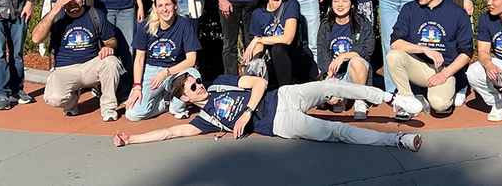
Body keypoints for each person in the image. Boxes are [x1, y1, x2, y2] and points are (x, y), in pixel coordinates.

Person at [111, 72, 425, 152]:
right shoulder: (205, 120)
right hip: (280, 122)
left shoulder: (220, 82)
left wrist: (246, 112)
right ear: (186, 99)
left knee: (333, 86)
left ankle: (392, 98)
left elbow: (260, 82)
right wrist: (131, 139)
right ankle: (397, 140)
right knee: (336, 131)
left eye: (196, 81)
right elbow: (169, 132)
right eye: (192, 88)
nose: (199, 87)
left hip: (282, 95)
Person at [386, 0, 474, 120]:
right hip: (419, 66)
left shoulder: (457, 13)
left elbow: (466, 53)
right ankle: (408, 101)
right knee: (393, 56)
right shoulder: (409, 9)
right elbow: (396, 43)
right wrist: (423, 49)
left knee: (440, 106)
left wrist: (444, 74)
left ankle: (452, 89)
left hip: (444, 69)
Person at [31, 0, 122, 121]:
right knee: (54, 99)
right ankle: (72, 100)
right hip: (64, 68)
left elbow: (111, 40)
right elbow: (36, 38)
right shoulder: (56, 17)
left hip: (90, 65)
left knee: (112, 62)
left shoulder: (95, 14)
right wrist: (54, 11)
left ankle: (108, 107)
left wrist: (108, 47)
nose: (72, 2)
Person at [125, 0, 202, 121]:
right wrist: (137, 86)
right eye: (160, 6)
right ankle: (165, 103)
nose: (164, 9)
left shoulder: (184, 24)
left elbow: (191, 60)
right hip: (152, 70)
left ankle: (177, 107)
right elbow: (139, 59)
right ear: (155, 8)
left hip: (175, 69)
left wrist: (166, 72)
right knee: (133, 114)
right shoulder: (146, 26)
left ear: (175, 5)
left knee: (194, 75)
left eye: (168, 5)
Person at [243, 0, 314, 90]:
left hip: (296, 57)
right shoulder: (258, 13)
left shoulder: (290, 5)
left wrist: (258, 40)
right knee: (259, 70)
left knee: (278, 48)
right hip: (272, 60)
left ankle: (284, 94)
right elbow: (259, 46)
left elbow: (287, 38)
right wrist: (256, 61)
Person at [316, 0, 375, 120]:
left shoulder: (362, 23)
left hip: (355, 73)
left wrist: (344, 56)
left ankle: (360, 100)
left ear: (352, 4)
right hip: (336, 74)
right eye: (336, 1)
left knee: (357, 61)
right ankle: (342, 97)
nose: (340, 4)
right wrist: (328, 72)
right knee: (332, 100)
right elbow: (322, 51)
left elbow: (368, 49)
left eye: (344, 0)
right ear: (331, 4)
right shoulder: (325, 25)